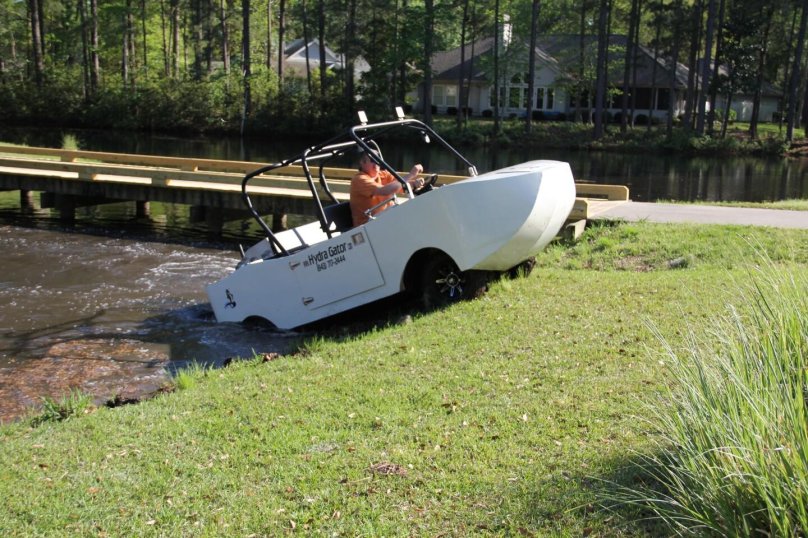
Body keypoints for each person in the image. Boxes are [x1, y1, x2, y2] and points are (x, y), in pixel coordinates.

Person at [350, 150, 425, 227]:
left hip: (386, 218)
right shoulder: (359, 179)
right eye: (372, 160)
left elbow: (399, 185)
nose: (376, 163)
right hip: (368, 225)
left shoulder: (383, 174)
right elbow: (385, 190)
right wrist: (411, 175)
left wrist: (414, 184)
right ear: (362, 162)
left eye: (377, 159)